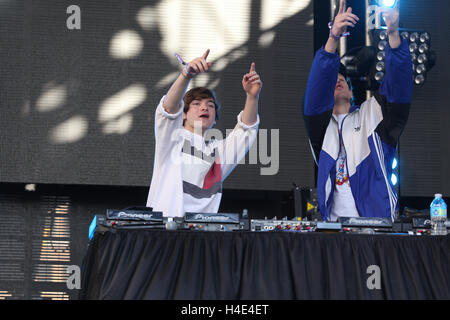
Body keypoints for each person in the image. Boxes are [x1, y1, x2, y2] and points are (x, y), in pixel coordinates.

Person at [303, 0, 412, 221]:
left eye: (342, 78)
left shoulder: (372, 112)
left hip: (376, 229)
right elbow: (315, 91)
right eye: (333, 79)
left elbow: (399, 88)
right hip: (335, 231)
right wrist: (333, 37)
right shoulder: (320, 128)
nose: (337, 81)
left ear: (353, 93)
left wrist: (392, 34)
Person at [146, 49, 262, 217]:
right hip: (165, 232)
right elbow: (168, 110)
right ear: (183, 114)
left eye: (210, 105)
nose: (204, 107)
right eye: (196, 103)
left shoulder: (218, 152)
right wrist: (186, 75)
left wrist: (252, 97)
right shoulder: (172, 138)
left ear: (215, 119)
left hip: (203, 236)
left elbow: (246, 129)